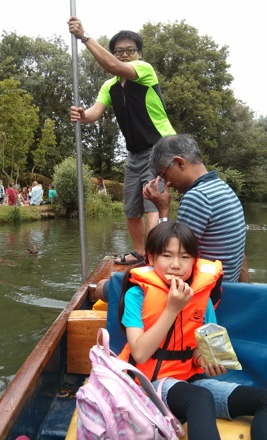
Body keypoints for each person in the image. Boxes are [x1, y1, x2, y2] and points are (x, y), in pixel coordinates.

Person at [118, 221, 267, 440]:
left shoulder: (201, 299)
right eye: (167, 256)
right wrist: (172, 309)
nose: (176, 265)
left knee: (263, 399)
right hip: (147, 385)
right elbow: (139, 353)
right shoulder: (136, 296)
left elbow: (201, 351)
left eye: (185, 257)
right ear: (151, 258)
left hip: (188, 382)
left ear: (194, 261)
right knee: (199, 397)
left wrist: (206, 361)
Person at [68, 17, 176, 265]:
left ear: (139, 53)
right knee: (130, 207)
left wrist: (84, 37)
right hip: (135, 152)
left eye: (130, 51)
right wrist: (83, 115)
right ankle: (140, 251)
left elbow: (114, 66)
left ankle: (153, 254)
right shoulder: (110, 86)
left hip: (160, 147)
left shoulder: (144, 70)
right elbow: (95, 113)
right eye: (119, 51)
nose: (124, 55)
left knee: (152, 202)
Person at [143, 134, 248, 283]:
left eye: (164, 175)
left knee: (104, 287)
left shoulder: (197, 196)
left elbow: (165, 254)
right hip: (226, 286)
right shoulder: (224, 188)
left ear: (179, 163)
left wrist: (163, 208)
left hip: (205, 292)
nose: (168, 183)